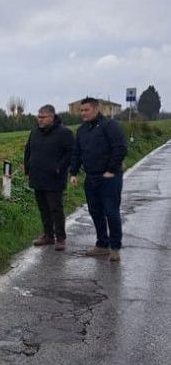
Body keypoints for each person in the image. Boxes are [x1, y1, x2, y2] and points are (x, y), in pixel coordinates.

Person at [69, 97, 128, 262]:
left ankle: (115, 248)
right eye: (81, 110)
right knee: (95, 212)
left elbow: (120, 148)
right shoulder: (81, 130)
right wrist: (73, 173)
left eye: (86, 110)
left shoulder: (110, 126)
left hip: (109, 177)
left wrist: (111, 170)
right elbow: (77, 153)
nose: (83, 113)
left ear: (96, 109)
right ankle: (102, 244)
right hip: (91, 177)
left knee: (111, 212)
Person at [24, 104, 74, 251]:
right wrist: (27, 169)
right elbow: (28, 151)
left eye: (43, 117)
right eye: (38, 116)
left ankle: (60, 238)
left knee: (55, 209)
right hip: (37, 176)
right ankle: (48, 236)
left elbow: (71, 152)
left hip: (54, 178)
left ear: (51, 117)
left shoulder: (64, 133)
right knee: (43, 209)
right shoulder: (34, 133)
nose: (39, 120)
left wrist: (60, 167)